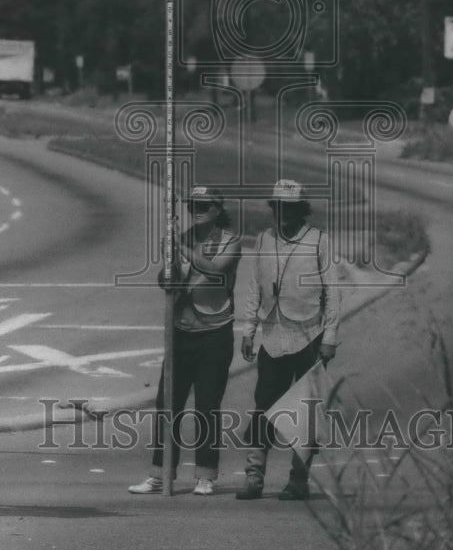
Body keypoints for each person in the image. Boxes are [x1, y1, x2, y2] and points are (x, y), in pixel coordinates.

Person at [129, 185, 242, 496]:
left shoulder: (231, 242)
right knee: (168, 405)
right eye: (193, 205)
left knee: (207, 407)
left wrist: (181, 248)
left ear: (218, 208)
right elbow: (168, 279)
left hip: (215, 333)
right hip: (181, 332)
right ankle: (160, 473)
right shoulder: (180, 241)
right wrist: (168, 268)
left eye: (204, 205)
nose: (198, 209)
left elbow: (216, 271)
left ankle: (206, 475)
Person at [235, 179, 342, 501]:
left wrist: (330, 338)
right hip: (272, 336)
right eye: (278, 207)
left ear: (301, 211)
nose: (282, 214)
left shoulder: (319, 241)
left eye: (290, 208)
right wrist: (249, 330)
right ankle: (254, 477)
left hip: (309, 336)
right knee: (263, 409)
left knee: (306, 412)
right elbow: (256, 286)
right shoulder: (265, 239)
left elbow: (333, 292)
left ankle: (298, 479)